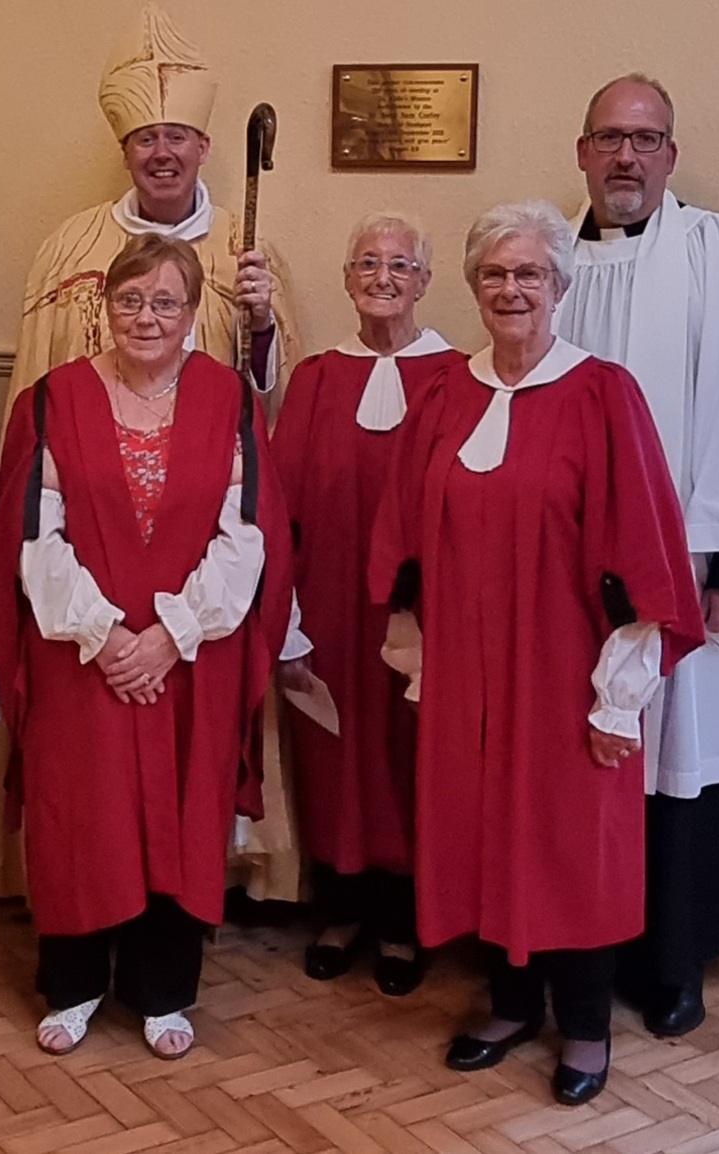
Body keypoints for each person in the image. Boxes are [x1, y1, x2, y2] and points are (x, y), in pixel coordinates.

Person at [369, 202, 704, 1104]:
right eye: (495, 274)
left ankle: (587, 1027)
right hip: (467, 673)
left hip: (567, 673)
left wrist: (618, 695)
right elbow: (405, 531)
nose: (511, 290)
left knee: (569, 844)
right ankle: (512, 1002)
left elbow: (640, 550)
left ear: (560, 287)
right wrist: (421, 658)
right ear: (473, 286)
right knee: (484, 832)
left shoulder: (603, 395)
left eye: (529, 275)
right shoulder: (445, 395)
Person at [0, 3, 300, 908]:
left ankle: (203, 882)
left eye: (179, 136)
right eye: (146, 138)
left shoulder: (249, 252)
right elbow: (37, 400)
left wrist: (264, 323)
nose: (162, 151)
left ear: (205, 145)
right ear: (126, 149)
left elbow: (261, 412)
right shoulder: (71, 245)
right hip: (84, 542)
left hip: (194, 553)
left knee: (187, 754)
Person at [0, 235, 292, 1060]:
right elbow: (31, 537)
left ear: (193, 315)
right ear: (102, 307)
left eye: (165, 302)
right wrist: (104, 634)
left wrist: (172, 636)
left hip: (194, 655)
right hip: (80, 653)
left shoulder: (229, 399)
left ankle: (163, 990)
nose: (146, 316)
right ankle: (75, 983)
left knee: (181, 814)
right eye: (129, 299)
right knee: (82, 813)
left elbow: (250, 534)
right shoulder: (51, 400)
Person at [553, 74, 719, 1037]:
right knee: (586, 752)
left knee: (679, 758)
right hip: (573, 580)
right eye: (610, 139)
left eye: (647, 139)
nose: (627, 157)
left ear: (671, 154)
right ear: (580, 151)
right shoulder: (542, 259)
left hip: (690, 567)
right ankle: (578, 944)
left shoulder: (716, 252)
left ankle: (672, 962)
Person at [269, 213, 462, 995]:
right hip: (328, 605)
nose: (383, 278)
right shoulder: (316, 376)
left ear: (424, 280)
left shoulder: (457, 375)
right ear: (346, 279)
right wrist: (287, 617)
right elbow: (281, 504)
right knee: (333, 749)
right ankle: (341, 908)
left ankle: (407, 920)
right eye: (367, 264)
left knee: (409, 751)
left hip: (419, 608)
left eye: (400, 265)